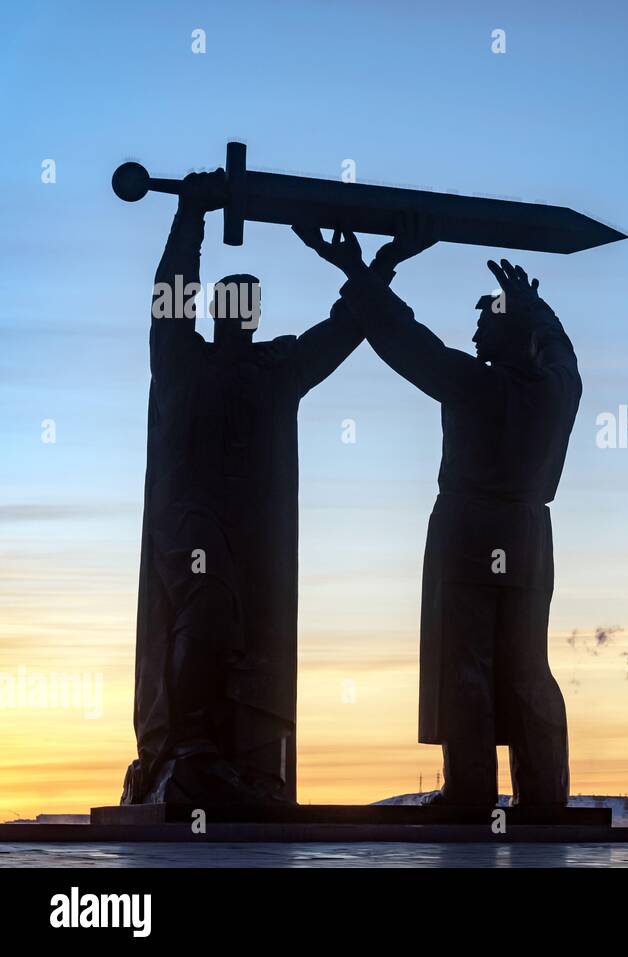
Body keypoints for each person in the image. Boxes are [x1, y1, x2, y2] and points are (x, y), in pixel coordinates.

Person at [125, 171, 412, 805]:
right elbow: (171, 290)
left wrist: (380, 265)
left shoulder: (277, 368)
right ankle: (188, 743)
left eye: (250, 303)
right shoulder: (181, 356)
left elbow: (343, 329)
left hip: (250, 534)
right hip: (187, 520)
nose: (242, 311)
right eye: (232, 301)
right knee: (205, 607)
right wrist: (190, 216)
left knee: (241, 633)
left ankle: (231, 758)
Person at [295, 216, 579, 807]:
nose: (475, 337)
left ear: (508, 337)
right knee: (527, 663)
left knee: (465, 660)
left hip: (471, 529)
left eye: (484, 326)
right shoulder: (556, 389)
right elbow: (560, 352)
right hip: (529, 534)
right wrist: (537, 311)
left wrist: (358, 271)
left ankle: (471, 792)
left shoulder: (472, 383)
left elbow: (403, 338)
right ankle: (544, 797)